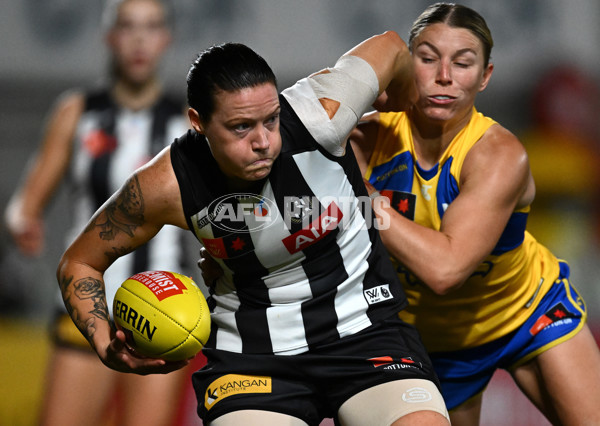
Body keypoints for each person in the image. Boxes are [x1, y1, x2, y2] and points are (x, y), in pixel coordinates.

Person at [55, 30, 452, 425]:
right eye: (241, 127)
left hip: (366, 332)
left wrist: (401, 103)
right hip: (252, 358)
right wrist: (104, 341)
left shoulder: (326, 110)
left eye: (271, 119)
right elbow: (79, 262)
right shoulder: (166, 185)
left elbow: (394, 46)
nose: (264, 141)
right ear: (198, 122)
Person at [350, 3, 600, 425]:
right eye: (427, 59)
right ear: (407, 66)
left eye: (463, 63)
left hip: (527, 310)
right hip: (430, 340)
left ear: (484, 77)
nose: (444, 76)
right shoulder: (365, 138)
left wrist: (362, 198)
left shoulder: (499, 154)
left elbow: (445, 270)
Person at [4, 1, 197, 425]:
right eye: (128, 27)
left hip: (159, 311)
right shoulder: (77, 112)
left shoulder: (187, 123)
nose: (140, 39)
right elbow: (27, 200)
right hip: (84, 309)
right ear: (109, 37)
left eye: (151, 27)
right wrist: (22, 221)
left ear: (167, 38)